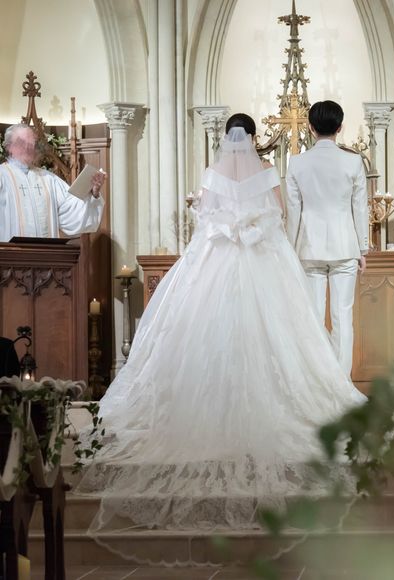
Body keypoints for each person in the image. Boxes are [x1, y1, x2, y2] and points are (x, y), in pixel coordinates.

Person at [77, 114, 366, 562]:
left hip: (216, 259)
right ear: (253, 138)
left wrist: (228, 226)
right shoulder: (268, 170)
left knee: (207, 332)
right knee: (278, 333)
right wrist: (254, 228)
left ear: (226, 138)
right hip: (262, 259)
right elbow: (278, 215)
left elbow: (205, 218)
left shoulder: (212, 172)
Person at [285, 100, 369, 375]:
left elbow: (293, 212)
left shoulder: (297, 163)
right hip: (345, 247)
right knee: (343, 316)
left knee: (313, 318)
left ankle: (319, 380)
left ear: (310, 128)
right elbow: (360, 208)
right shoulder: (353, 161)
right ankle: (341, 382)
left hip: (308, 248)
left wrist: (290, 250)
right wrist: (363, 249)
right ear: (340, 127)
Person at [0, 124, 105, 242]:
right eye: (22, 142)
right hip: (10, 252)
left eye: (31, 142)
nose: (28, 146)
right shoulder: (2, 176)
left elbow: (71, 211)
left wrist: (93, 193)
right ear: (9, 147)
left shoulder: (48, 179)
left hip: (46, 252)